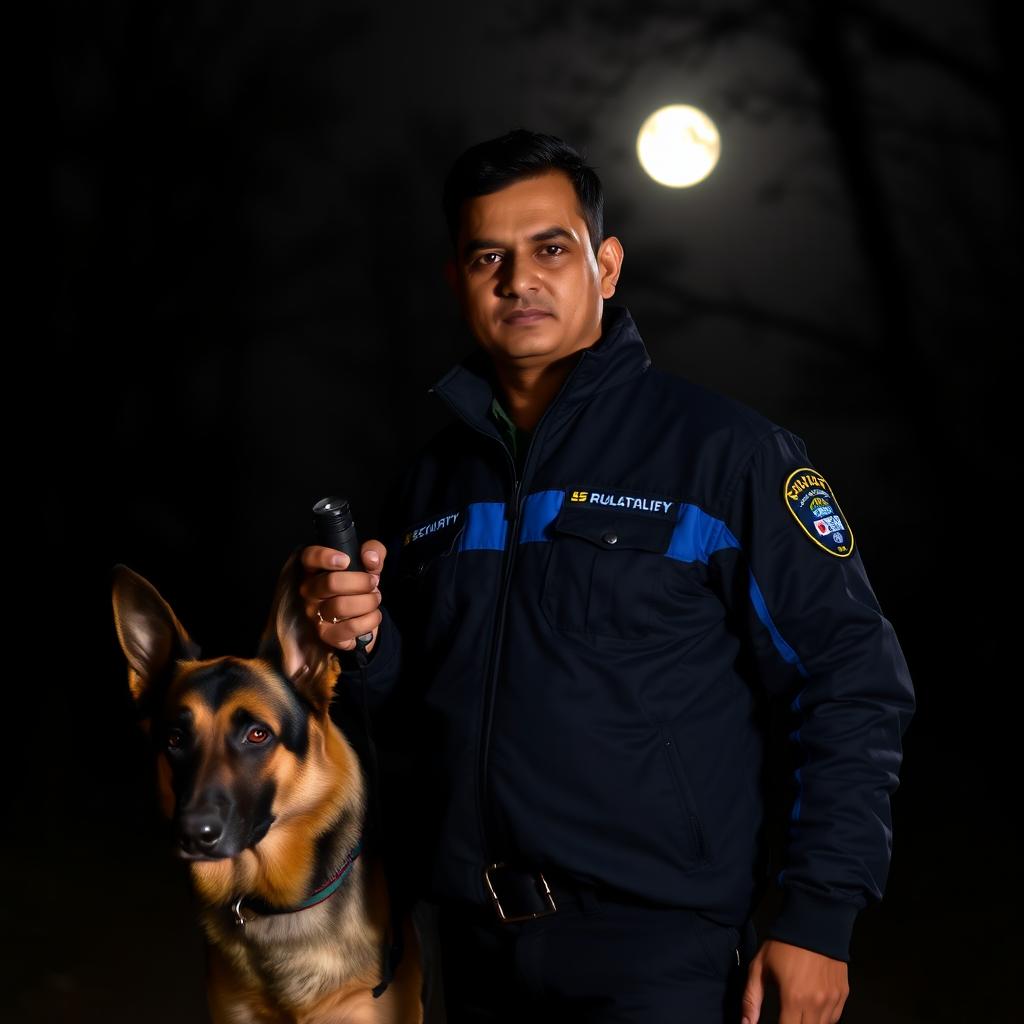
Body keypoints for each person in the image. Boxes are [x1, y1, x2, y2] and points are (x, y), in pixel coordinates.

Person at [298, 129, 915, 1024]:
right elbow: (416, 714)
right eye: (488, 257)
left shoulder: (726, 456)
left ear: (607, 264)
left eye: (551, 248)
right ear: (457, 283)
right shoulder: (430, 486)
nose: (520, 280)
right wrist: (361, 647)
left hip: (657, 956)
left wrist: (820, 918)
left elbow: (854, 679)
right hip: (470, 949)